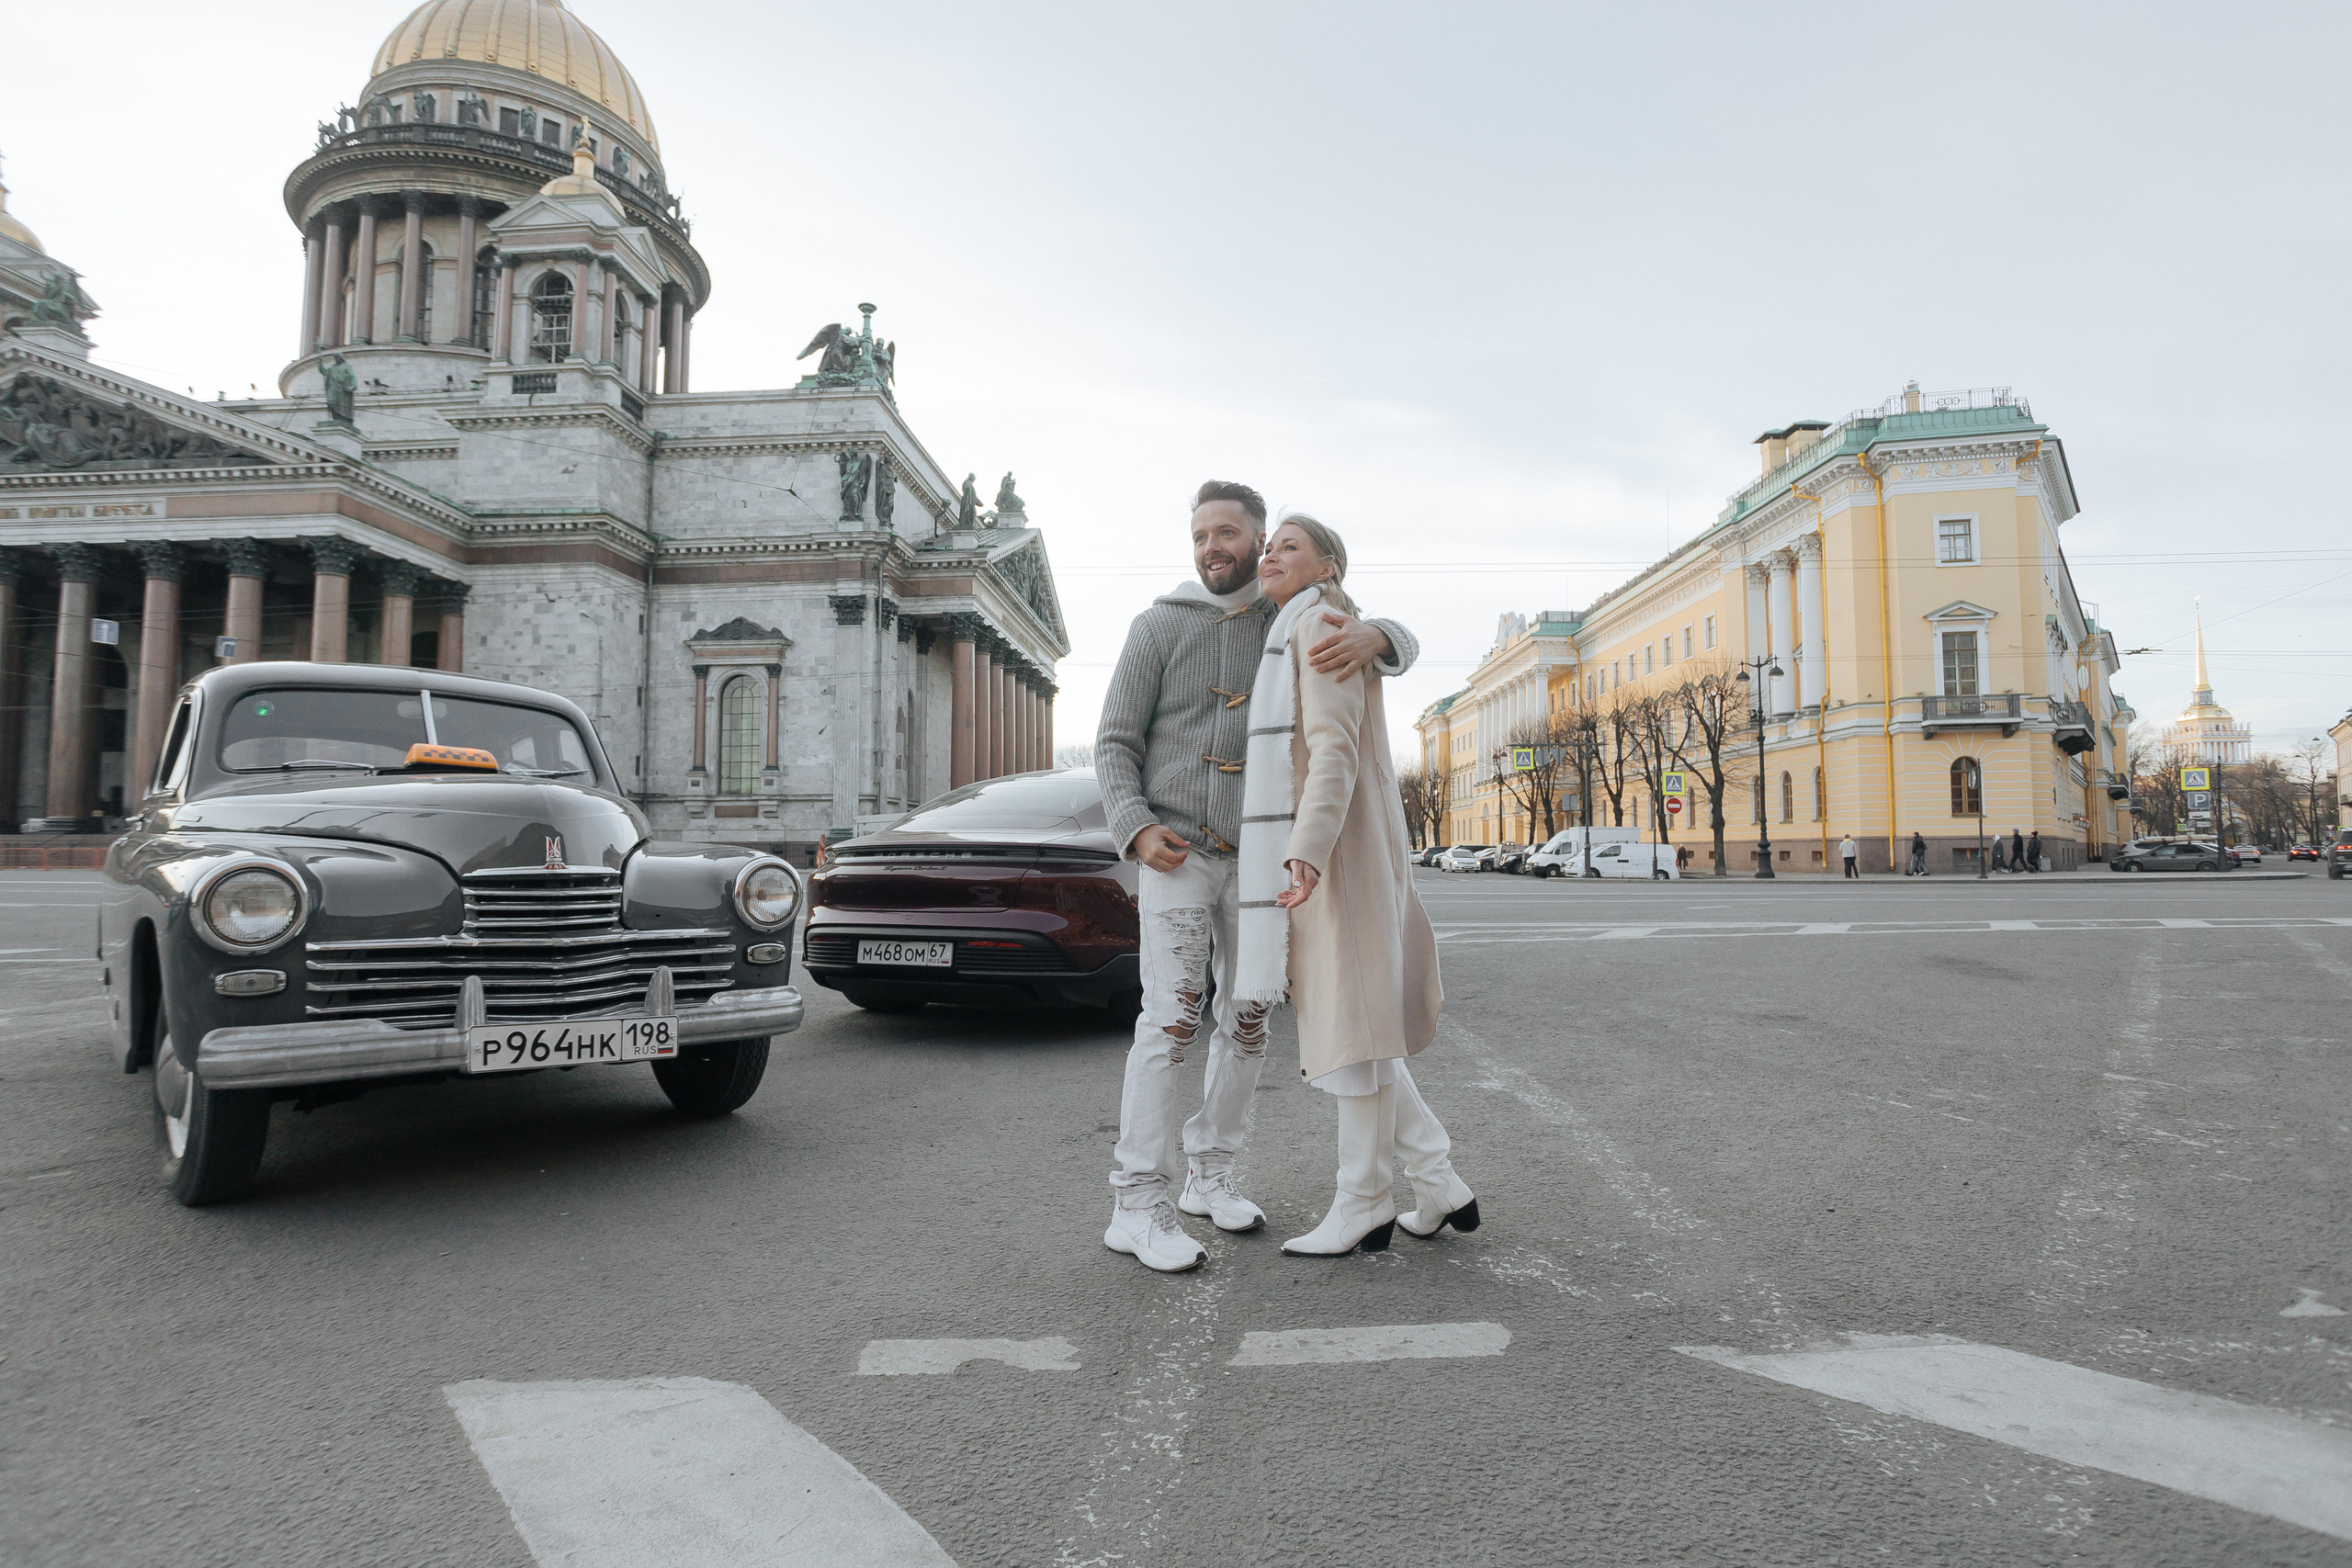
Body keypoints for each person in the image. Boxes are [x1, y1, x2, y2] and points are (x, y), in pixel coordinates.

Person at [1092, 480, 1419, 1272]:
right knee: (1171, 1018)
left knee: (1248, 1019)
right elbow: (1112, 741)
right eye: (1201, 535)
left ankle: (1210, 1173)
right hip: (1177, 853)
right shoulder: (1158, 624)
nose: (1213, 547)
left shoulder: (1290, 615)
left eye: (1229, 533)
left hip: (1259, 859)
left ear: (1259, 540)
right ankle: (1135, 1203)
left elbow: (1393, 639)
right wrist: (1135, 824)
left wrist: (1381, 633)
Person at [1255, 514, 1470, 1257]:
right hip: (1345, 844)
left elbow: (1333, 750)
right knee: (1364, 1027)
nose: (1270, 554)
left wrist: (1306, 850)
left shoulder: (1319, 626)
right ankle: (1435, 1180)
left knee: (1350, 1031)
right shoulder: (1304, 622)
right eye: (1268, 546)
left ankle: (1364, 1201)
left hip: (1337, 850)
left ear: (1326, 566)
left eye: (1288, 546)